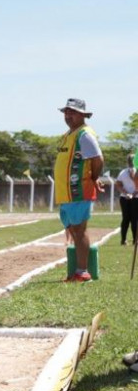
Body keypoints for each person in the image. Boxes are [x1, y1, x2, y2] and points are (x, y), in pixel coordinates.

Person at [54, 98, 104, 282]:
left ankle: (82, 272)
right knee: (73, 229)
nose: (68, 115)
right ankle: (78, 270)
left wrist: (94, 178)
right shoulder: (69, 134)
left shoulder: (84, 134)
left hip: (78, 191)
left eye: (73, 112)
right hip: (66, 193)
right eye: (66, 112)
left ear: (83, 114)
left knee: (79, 229)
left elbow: (98, 159)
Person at [116, 154, 138, 246]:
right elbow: (118, 184)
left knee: (127, 219)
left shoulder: (123, 172)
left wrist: (127, 193)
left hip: (126, 198)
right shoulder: (127, 172)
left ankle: (124, 240)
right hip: (133, 198)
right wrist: (131, 194)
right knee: (133, 219)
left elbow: (118, 184)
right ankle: (134, 240)